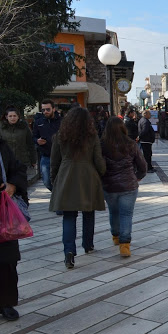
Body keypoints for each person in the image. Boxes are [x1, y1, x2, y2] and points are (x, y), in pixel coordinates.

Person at [49, 107, 106, 269]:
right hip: (87, 176)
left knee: (69, 216)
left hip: (66, 176)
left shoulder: (60, 136)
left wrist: (55, 181)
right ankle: (88, 244)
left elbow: (54, 162)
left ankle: (69, 251)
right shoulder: (92, 136)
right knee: (88, 213)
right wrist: (103, 171)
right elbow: (98, 160)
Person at [101, 117, 147, 257]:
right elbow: (142, 165)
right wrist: (137, 177)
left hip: (109, 185)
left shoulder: (102, 145)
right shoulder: (130, 144)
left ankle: (115, 236)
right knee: (126, 214)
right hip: (129, 185)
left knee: (113, 212)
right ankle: (125, 245)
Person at [0, 138, 28, 321]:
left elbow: (18, 169)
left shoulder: (1, 146)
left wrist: (12, 184)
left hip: (3, 214)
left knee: (7, 260)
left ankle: (6, 302)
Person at [32, 100, 62, 191]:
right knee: (47, 181)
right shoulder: (38, 122)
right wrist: (37, 141)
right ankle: (57, 196)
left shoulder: (62, 121)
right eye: (43, 110)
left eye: (48, 109)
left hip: (61, 156)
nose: (45, 112)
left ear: (53, 109)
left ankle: (60, 198)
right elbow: (34, 137)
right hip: (46, 156)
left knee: (62, 180)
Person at [0, 106, 37, 172]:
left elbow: (30, 144)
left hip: (23, 161)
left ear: (18, 116)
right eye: (10, 116)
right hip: (6, 161)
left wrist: (33, 160)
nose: (12, 118)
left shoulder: (24, 127)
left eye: (14, 116)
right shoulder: (2, 128)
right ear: (6, 117)